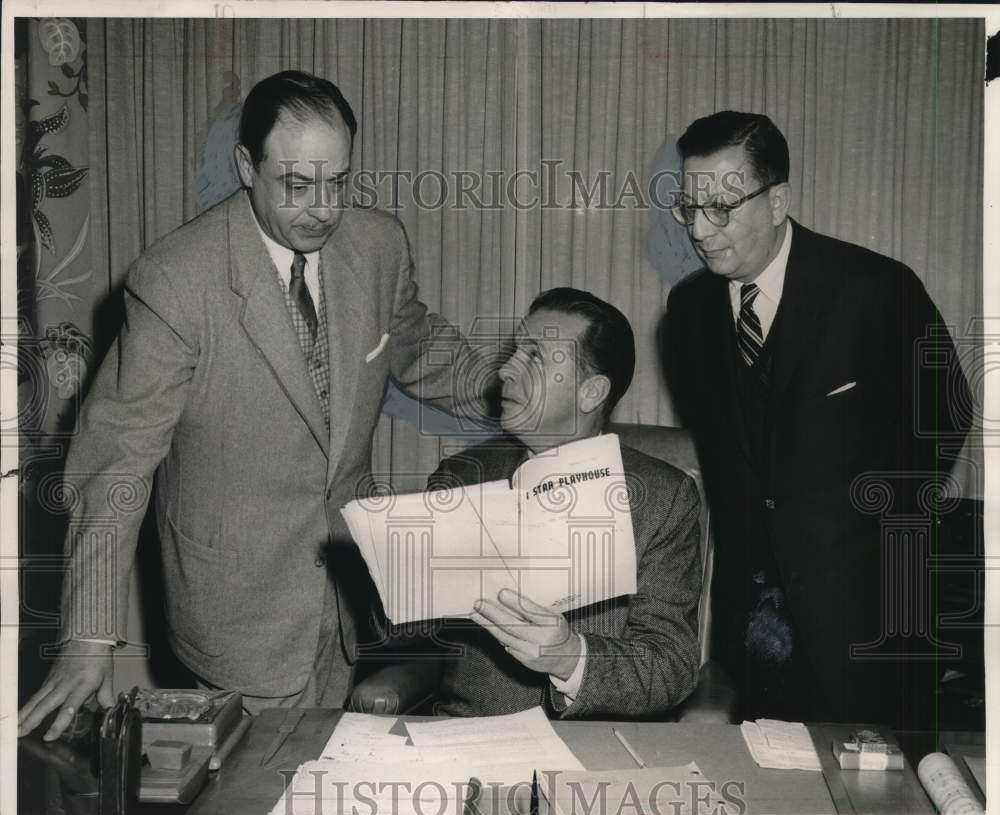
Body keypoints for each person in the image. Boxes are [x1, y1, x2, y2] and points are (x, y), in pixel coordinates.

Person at [18, 70, 484, 739]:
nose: (324, 208)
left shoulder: (379, 245)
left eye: (339, 182)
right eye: (297, 185)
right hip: (239, 606)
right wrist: (88, 636)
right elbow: (115, 466)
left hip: (355, 589)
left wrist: (522, 390)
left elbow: (416, 343)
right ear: (246, 165)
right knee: (263, 795)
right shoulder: (177, 281)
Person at [662, 111, 971, 727]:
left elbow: (946, 414)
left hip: (867, 616)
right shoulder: (688, 309)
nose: (699, 229)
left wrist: (866, 534)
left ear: (777, 201)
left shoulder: (878, 289)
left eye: (721, 206)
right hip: (749, 622)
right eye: (688, 207)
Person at [425, 288, 702, 718]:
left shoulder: (664, 499)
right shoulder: (460, 479)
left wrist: (571, 656)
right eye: (515, 351)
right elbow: (410, 639)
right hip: (470, 743)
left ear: (591, 393)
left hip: (598, 752)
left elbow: (671, 667)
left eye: (535, 357)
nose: (507, 371)